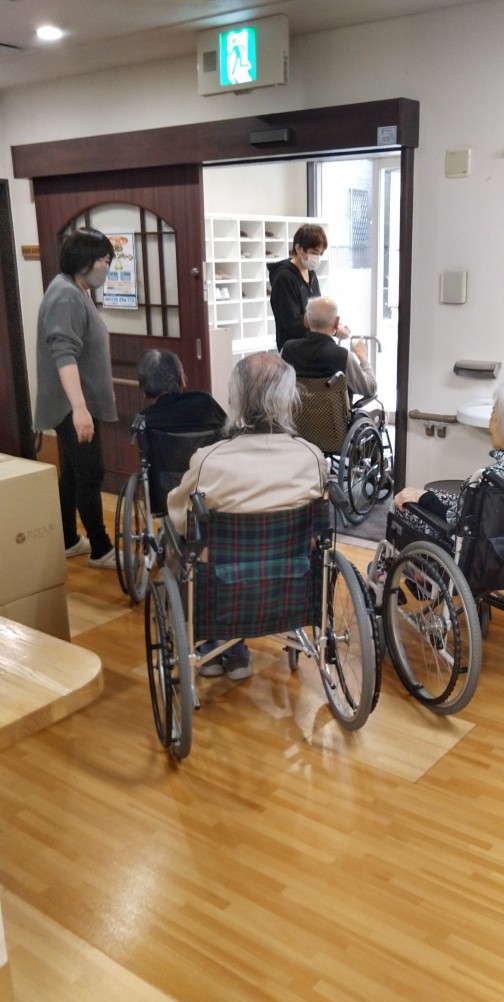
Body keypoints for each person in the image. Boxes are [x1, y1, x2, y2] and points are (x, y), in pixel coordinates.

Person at [167, 352, 329, 680]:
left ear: (234, 399)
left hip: (227, 587)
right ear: (289, 401)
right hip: (290, 584)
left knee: (178, 543)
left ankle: (219, 643)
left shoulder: (208, 460)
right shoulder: (312, 458)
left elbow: (180, 519)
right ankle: (238, 647)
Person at [34, 227, 120, 568]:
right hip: (72, 405)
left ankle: (68, 539)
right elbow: (63, 353)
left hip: (75, 403)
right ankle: (101, 548)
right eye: (103, 260)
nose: (106, 267)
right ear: (84, 261)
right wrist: (80, 409)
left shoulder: (73, 289)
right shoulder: (66, 295)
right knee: (90, 472)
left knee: (72, 474)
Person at [392, 379, 504, 539]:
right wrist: (426, 495)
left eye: (494, 415)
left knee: (404, 506)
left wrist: (424, 499)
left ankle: (401, 564)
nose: (490, 424)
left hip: (482, 550)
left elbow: (455, 518)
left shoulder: (495, 478)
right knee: (429, 492)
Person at [268, 223, 350, 351]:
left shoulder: (310, 273)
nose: (317, 258)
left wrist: (332, 324)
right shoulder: (284, 278)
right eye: (314, 252)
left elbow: (317, 312)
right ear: (298, 248)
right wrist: (332, 330)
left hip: (313, 346)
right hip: (294, 351)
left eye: (321, 254)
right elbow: (292, 323)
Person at [281, 295, 377, 401]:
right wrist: (363, 358)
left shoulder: (288, 350)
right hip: (336, 412)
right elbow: (371, 388)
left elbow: (279, 388)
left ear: (306, 320)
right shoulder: (342, 356)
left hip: (297, 412)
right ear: (336, 323)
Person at [136, 347, 226, 435]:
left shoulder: (143, 422)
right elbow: (229, 430)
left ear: (144, 385)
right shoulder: (205, 401)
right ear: (180, 377)